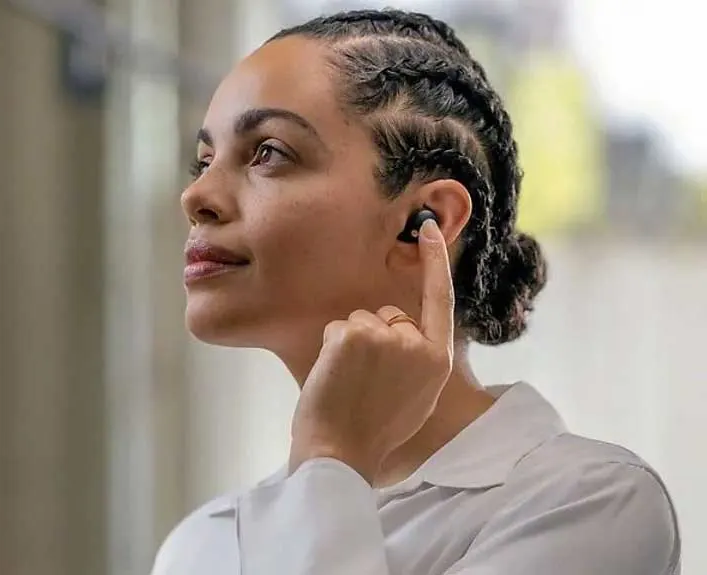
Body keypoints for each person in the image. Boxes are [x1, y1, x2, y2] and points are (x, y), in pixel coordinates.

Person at [154, 8, 680, 575]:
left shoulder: (592, 505)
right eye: (203, 161)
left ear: (427, 218)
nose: (197, 196)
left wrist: (331, 460)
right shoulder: (202, 545)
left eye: (269, 153)